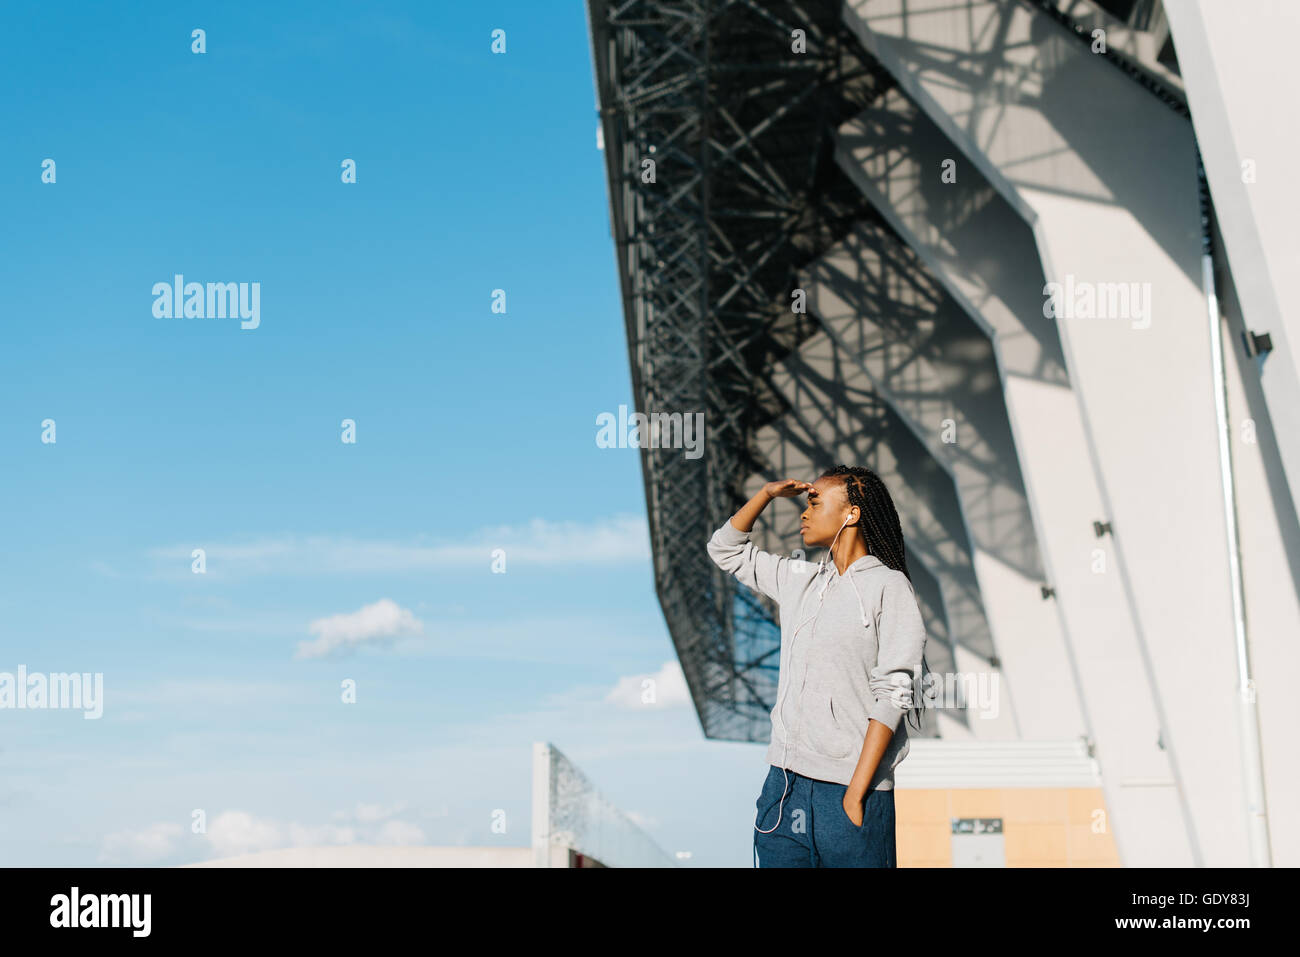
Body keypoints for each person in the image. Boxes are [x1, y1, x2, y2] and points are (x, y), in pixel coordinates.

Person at [706, 465, 929, 867]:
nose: (803, 513)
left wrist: (855, 792)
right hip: (783, 786)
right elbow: (725, 550)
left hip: (847, 791)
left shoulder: (889, 587)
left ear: (852, 514)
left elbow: (894, 692)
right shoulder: (799, 581)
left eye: (814, 502)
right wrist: (766, 494)